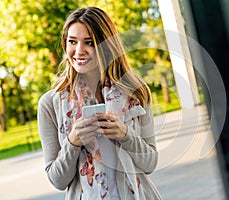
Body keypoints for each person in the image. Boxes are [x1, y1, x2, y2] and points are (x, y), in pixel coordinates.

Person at [38, 7, 161, 200]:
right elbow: (57, 180)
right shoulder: (50, 104)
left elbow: (150, 163)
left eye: (89, 42)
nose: (79, 51)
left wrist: (125, 134)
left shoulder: (136, 92)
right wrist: (73, 142)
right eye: (72, 41)